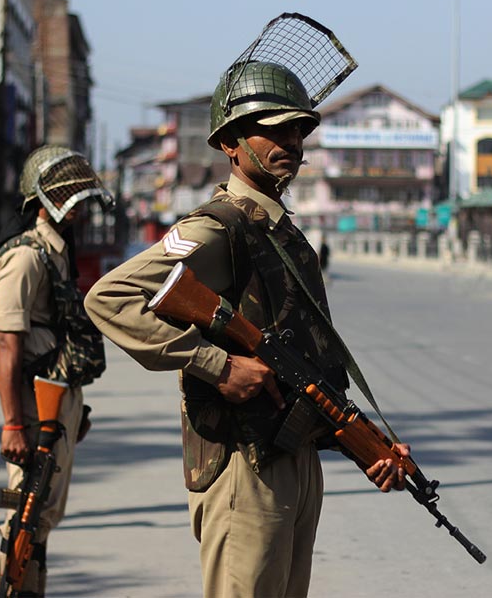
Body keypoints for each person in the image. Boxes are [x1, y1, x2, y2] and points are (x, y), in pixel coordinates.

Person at [84, 60, 409, 598]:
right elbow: (109, 297)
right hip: (243, 464)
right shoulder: (217, 227)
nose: (292, 142)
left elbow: (310, 363)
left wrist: (368, 446)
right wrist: (217, 364)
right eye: (275, 128)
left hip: (294, 456)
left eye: (299, 129)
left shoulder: (282, 233)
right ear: (231, 141)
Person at [0, 145, 112, 597]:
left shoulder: (56, 253)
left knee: (44, 514)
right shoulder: (25, 257)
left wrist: (75, 412)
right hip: (33, 411)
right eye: (68, 195)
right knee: (25, 513)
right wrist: (13, 424)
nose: (78, 205)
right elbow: (8, 345)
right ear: (42, 200)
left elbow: (59, 340)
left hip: (55, 405)